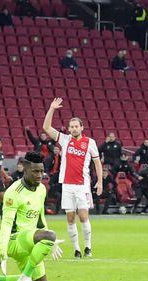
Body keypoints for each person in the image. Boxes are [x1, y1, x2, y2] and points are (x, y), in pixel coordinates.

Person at [0, 152, 64, 281]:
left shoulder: (41, 189)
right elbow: (6, 223)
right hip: (15, 241)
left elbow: (40, 217)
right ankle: (24, 278)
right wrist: (2, 249)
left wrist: (49, 238)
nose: (39, 175)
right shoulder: (13, 192)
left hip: (30, 241)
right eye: (35, 171)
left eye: (42, 171)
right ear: (25, 170)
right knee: (49, 236)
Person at [43, 98, 103, 258]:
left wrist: (100, 181)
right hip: (67, 185)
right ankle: (76, 249)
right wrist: (52, 108)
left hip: (82, 185)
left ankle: (88, 247)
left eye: (77, 126)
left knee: (83, 216)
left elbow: (97, 162)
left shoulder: (90, 142)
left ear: (82, 127)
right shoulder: (65, 139)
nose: (74, 128)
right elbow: (46, 127)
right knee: (70, 218)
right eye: (71, 126)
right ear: (69, 128)